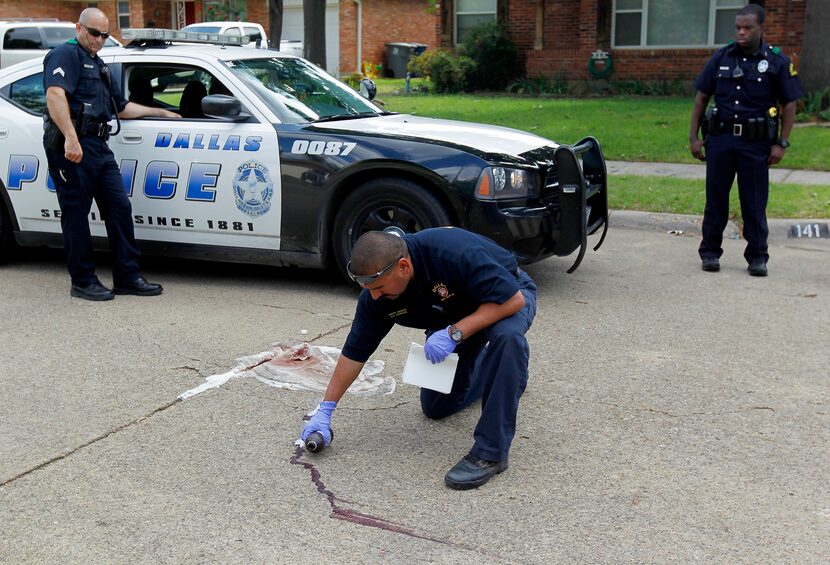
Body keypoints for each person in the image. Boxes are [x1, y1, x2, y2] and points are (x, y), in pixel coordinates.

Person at [300, 227, 537, 490]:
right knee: (436, 407)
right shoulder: (375, 296)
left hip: (502, 297)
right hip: (451, 321)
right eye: (368, 289)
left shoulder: (450, 252)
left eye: (379, 287)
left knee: (507, 339)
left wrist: (454, 333)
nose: (374, 296)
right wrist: (326, 409)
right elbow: (354, 353)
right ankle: (508, 378)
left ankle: (491, 453)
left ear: (403, 267)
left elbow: (512, 300)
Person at [43, 8, 180, 301]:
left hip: (99, 147)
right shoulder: (65, 54)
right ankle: (82, 281)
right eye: (94, 33)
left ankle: (127, 276)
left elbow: (121, 107)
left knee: (118, 208)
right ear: (78, 28)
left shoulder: (99, 63)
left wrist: (162, 111)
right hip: (73, 146)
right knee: (76, 214)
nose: (99, 39)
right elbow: (55, 95)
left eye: (105, 35)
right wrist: (70, 138)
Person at [689, 3, 803, 277]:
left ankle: (757, 257)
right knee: (715, 200)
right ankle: (710, 253)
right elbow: (702, 97)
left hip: (756, 145)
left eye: (747, 28)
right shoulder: (722, 57)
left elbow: (790, 105)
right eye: (738, 27)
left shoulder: (776, 62)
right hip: (721, 141)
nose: (741, 32)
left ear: (760, 28)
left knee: (753, 202)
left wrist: (782, 143)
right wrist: (694, 137)